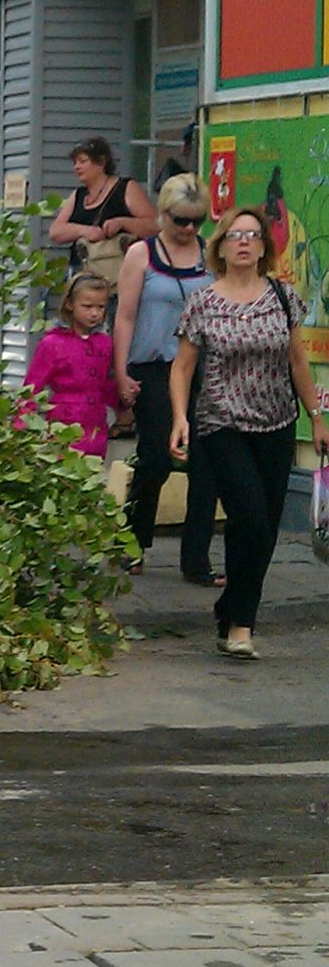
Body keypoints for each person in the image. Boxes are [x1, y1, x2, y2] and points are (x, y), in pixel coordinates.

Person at [170, 206, 329, 660]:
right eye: (234, 235)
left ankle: (232, 613)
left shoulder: (283, 296)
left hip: (278, 422)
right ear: (220, 245)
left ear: (264, 247)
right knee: (251, 519)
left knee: (258, 529)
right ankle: (240, 623)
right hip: (223, 424)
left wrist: (316, 417)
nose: (243, 242)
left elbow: (298, 361)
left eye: (253, 235)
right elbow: (182, 368)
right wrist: (180, 418)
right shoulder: (203, 301)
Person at [113, 174, 218, 582]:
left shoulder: (210, 254)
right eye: (180, 220)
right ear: (163, 215)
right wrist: (121, 372)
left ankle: (197, 560)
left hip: (202, 368)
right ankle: (133, 541)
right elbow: (124, 315)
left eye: (196, 221)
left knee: (207, 463)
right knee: (157, 456)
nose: (188, 229)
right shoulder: (142, 254)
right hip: (154, 364)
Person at [20, 272, 115, 459]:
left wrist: (124, 401)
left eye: (100, 307)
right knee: (64, 472)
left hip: (96, 421)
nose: (95, 313)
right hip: (64, 420)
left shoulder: (104, 342)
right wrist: (22, 424)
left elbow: (105, 383)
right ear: (70, 304)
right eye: (87, 306)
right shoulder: (53, 343)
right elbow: (32, 386)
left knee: (92, 473)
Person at [47, 136, 158, 287]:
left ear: (101, 162)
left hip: (118, 276)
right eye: (75, 163)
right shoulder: (79, 195)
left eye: (83, 161)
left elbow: (155, 226)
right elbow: (56, 231)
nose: (77, 167)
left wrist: (123, 222)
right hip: (82, 277)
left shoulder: (126, 188)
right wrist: (85, 231)